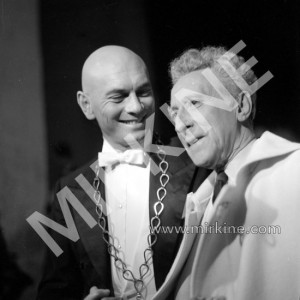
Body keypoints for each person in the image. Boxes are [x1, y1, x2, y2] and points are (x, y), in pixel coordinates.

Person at [37, 46, 206, 300]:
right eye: (118, 97)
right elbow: (53, 291)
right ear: (86, 105)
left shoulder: (195, 158)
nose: (137, 107)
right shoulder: (69, 190)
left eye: (144, 92)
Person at [152, 46, 300, 300]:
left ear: (241, 106)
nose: (180, 124)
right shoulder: (199, 202)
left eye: (195, 104)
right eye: (175, 112)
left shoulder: (294, 171)